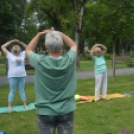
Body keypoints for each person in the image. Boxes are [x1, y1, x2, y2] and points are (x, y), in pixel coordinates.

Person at [25, 30, 77, 134]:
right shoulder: (69, 60)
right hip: (66, 109)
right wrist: (60, 33)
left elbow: (28, 49)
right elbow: (73, 45)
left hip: (45, 111)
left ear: (46, 47)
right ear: (62, 46)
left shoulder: (39, 61)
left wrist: (39, 34)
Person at [1, 39, 28, 110]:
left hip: (22, 75)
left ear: (19, 51)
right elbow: (3, 47)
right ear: (12, 51)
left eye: (17, 51)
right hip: (12, 76)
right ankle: (9, 106)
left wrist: (20, 42)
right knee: (12, 91)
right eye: (15, 51)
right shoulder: (9, 55)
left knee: (21, 90)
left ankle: (25, 105)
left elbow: (28, 48)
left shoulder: (22, 54)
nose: (16, 53)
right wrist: (11, 41)